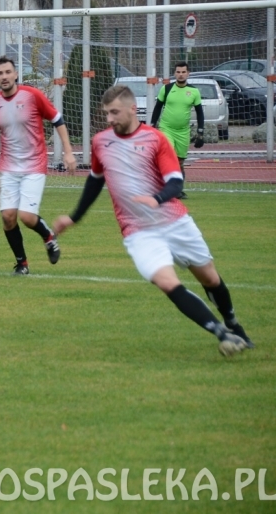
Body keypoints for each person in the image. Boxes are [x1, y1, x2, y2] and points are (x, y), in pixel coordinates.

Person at [53, 85, 252, 357]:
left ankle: (233, 325)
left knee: (210, 279)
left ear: (133, 109)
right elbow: (95, 180)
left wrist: (156, 199)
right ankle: (221, 333)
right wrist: (74, 217)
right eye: (106, 114)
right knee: (166, 282)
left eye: (114, 112)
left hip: (175, 223)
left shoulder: (155, 139)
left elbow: (175, 182)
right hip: (138, 232)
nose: (109, 119)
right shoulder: (101, 142)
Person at [0, 55, 77, 275]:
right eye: (0, 73)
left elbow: (57, 120)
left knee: (27, 217)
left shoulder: (32, 95)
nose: (4, 76)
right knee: (8, 217)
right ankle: (22, 264)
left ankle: (48, 237)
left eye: (8, 72)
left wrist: (68, 152)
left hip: (34, 165)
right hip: (7, 167)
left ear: (16, 74)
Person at [150, 61, 204, 199]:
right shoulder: (166, 89)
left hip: (183, 132)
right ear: (174, 73)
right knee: (170, 156)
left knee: (180, 162)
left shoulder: (194, 91)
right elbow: (157, 108)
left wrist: (200, 132)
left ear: (188, 73)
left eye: (183, 72)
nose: (180, 75)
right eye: (178, 72)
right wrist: (151, 125)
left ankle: (177, 189)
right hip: (166, 128)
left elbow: (200, 113)